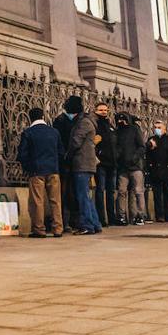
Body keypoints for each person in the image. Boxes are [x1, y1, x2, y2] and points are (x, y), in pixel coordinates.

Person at [17, 107, 64, 238]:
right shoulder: (54, 132)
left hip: (36, 171)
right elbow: (61, 152)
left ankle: (39, 229)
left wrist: (28, 167)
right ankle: (58, 229)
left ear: (30, 117)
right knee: (55, 201)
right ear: (43, 116)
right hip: (53, 170)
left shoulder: (28, 133)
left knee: (37, 201)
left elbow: (22, 154)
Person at [64, 95, 104, 235]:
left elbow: (76, 141)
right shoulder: (86, 121)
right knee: (87, 196)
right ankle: (95, 223)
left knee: (82, 196)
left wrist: (67, 156)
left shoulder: (83, 123)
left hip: (82, 164)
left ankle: (87, 225)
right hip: (86, 164)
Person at [114, 112, 146, 226]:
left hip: (135, 166)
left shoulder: (134, 129)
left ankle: (140, 215)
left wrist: (134, 158)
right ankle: (121, 216)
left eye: (123, 120)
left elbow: (142, 147)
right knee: (122, 191)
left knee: (138, 191)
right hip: (123, 167)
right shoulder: (117, 132)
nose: (121, 122)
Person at [52, 102, 79, 230]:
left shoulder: (72, 120)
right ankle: (66, 221)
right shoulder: (62, 121)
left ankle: (72, 220)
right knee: (65, 192)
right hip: (65, 161)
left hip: (71, 161)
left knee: (71, 193)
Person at [144, 120, 168, 222]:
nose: (157, 129)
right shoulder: (152, 139)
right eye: (155, 127)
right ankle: (159, 215)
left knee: (167, 193)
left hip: (167, 169)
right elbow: (148, 155)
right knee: (157, 194)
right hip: (155, 170)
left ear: (164, 128)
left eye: (159, 127)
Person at [93, 102, 118, 226]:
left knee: (111, 191)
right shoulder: (95, 124)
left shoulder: (110, 125)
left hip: (112, 163)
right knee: (100, 190)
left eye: (105, 110)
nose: (103, 112)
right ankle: (101, 219)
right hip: (101, 163)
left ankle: (111, 217)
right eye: (101, 110)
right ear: (96, 110)